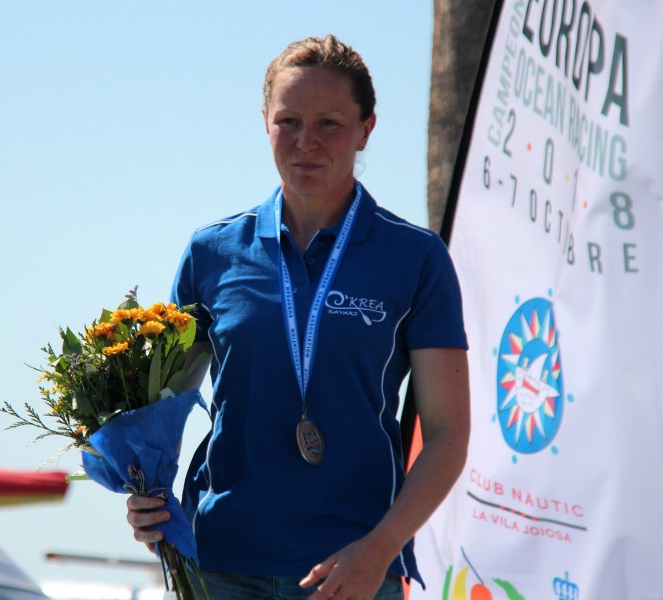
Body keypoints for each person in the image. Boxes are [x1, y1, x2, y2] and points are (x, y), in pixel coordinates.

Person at [127, 34, 470, 600]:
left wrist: (380, 550)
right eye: (288, 121)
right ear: (265, 121)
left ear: (367, 129)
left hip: (351, 571)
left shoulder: (416, 259)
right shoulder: (211, 252)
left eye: (330, 123)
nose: (306, 143)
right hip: (218, 566)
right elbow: (164, 411)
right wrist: (145, 494)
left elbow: (448, 434)